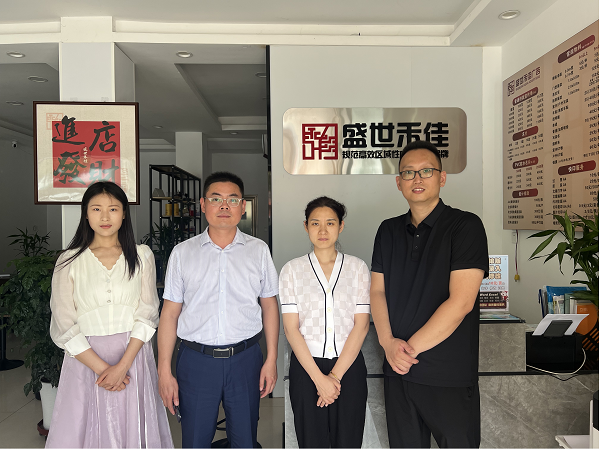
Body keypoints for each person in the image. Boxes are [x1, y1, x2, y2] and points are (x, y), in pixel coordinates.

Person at [370, 140, 489, 448]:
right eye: (408, 172)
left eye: (426, 171)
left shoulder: (465, 226)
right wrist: (387, 343)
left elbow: (461, 302)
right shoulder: (387, 231)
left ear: (442, 178)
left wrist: (407, 351)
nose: (417, 178)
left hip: (447, 373)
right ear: (399, 182)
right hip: (398, 371)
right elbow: (377, 291)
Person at [46, 181, 173, 448]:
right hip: (86, 360)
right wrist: (105, 370)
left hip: (132, 356)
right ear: (86, 213)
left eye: (113, 209)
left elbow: (148, 312)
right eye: (96, 209)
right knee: (85, 428)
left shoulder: (141, 256)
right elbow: (64, 323)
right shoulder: (68, 260)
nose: (105, 217)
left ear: (124, 213)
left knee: (132, 427)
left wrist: (122, 366)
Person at [157, 171, 280, 448]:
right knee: (195, 440)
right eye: (216, 199)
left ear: (243, 206)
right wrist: (164, 370)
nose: (224, 206)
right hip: (196, 361)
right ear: (203, 204)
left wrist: (271, 359)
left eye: (232, 199)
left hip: (245, 359)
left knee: (245, 439)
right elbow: (170, 313)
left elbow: (269, 305)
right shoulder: (182, 253)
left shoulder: (258, 250)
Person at [280, 196, 370, 448]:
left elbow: (361, 325)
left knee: (348, 441)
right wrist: (320, 380)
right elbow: (291, 329)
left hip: (348, 367)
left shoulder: (357, 268)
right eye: (315, 223)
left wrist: (334, 377)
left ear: (341, 226)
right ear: (306, 226)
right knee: (311, 442)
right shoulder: (292, 270)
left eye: (330, 223)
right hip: (306, 369)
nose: (322, 230)